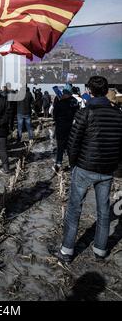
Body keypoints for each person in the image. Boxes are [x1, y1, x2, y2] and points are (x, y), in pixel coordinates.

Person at [58, 76, 122, 264]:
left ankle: (67, 250)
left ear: (89, 90)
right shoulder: (118, 114)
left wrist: (73, 162)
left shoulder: (85, 112)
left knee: (74, 208)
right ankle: (100, 250)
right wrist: (116, 164)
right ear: (106, 90)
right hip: (107, 169)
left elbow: (73, 141)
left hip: (85, 166)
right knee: (103, 211)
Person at [53, 84, 79, 173]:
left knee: (60, 147)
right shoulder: (74, 102)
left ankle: (58, 164)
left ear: (64, 93)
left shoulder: (59, 102)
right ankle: (72, 165)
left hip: (60, 127)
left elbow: (54, 116)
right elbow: (78, 114)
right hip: (72, 127)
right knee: (70, 146)